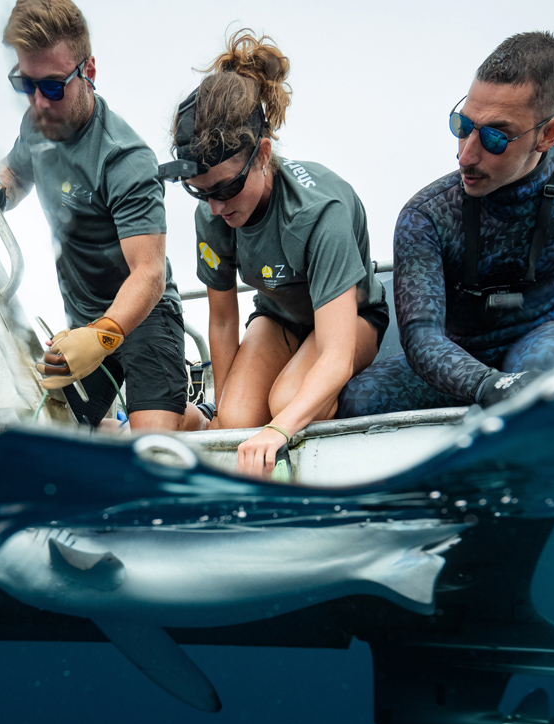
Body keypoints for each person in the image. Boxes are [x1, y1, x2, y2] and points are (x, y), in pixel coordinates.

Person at [341, 31, 554, 418]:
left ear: (548, 134)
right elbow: (420, 336)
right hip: (458, 353)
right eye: (462, 125)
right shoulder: (425, 215)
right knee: (356, 401)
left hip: (550, 331)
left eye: (495, 137)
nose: (465, 155)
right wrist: (488, 384)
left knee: (550, 370)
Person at [161, 30, 388, 478]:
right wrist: (227, 424)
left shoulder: (321, 213)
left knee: (287, 403)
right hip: (280, 317)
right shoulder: (212, 214)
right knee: (240, 418)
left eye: (227, 188)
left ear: (263, 154)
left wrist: (279, 430)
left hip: (353, 321)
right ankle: (192, 421)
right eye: (200, 192)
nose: (217, 207)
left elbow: (336, 354)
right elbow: (224, 321)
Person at [0, 0, 189, 430]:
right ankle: (127, 421)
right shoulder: (35, 125)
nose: (40, 102)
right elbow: (14, 179)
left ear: (89, 72)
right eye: (26, 84)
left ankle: (191, 418)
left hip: (145, 315)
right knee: (48, 434)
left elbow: (149, 274)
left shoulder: (126, 159)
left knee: (151, 449)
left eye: (54, 86)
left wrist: (101, 336)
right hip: (78, 322)